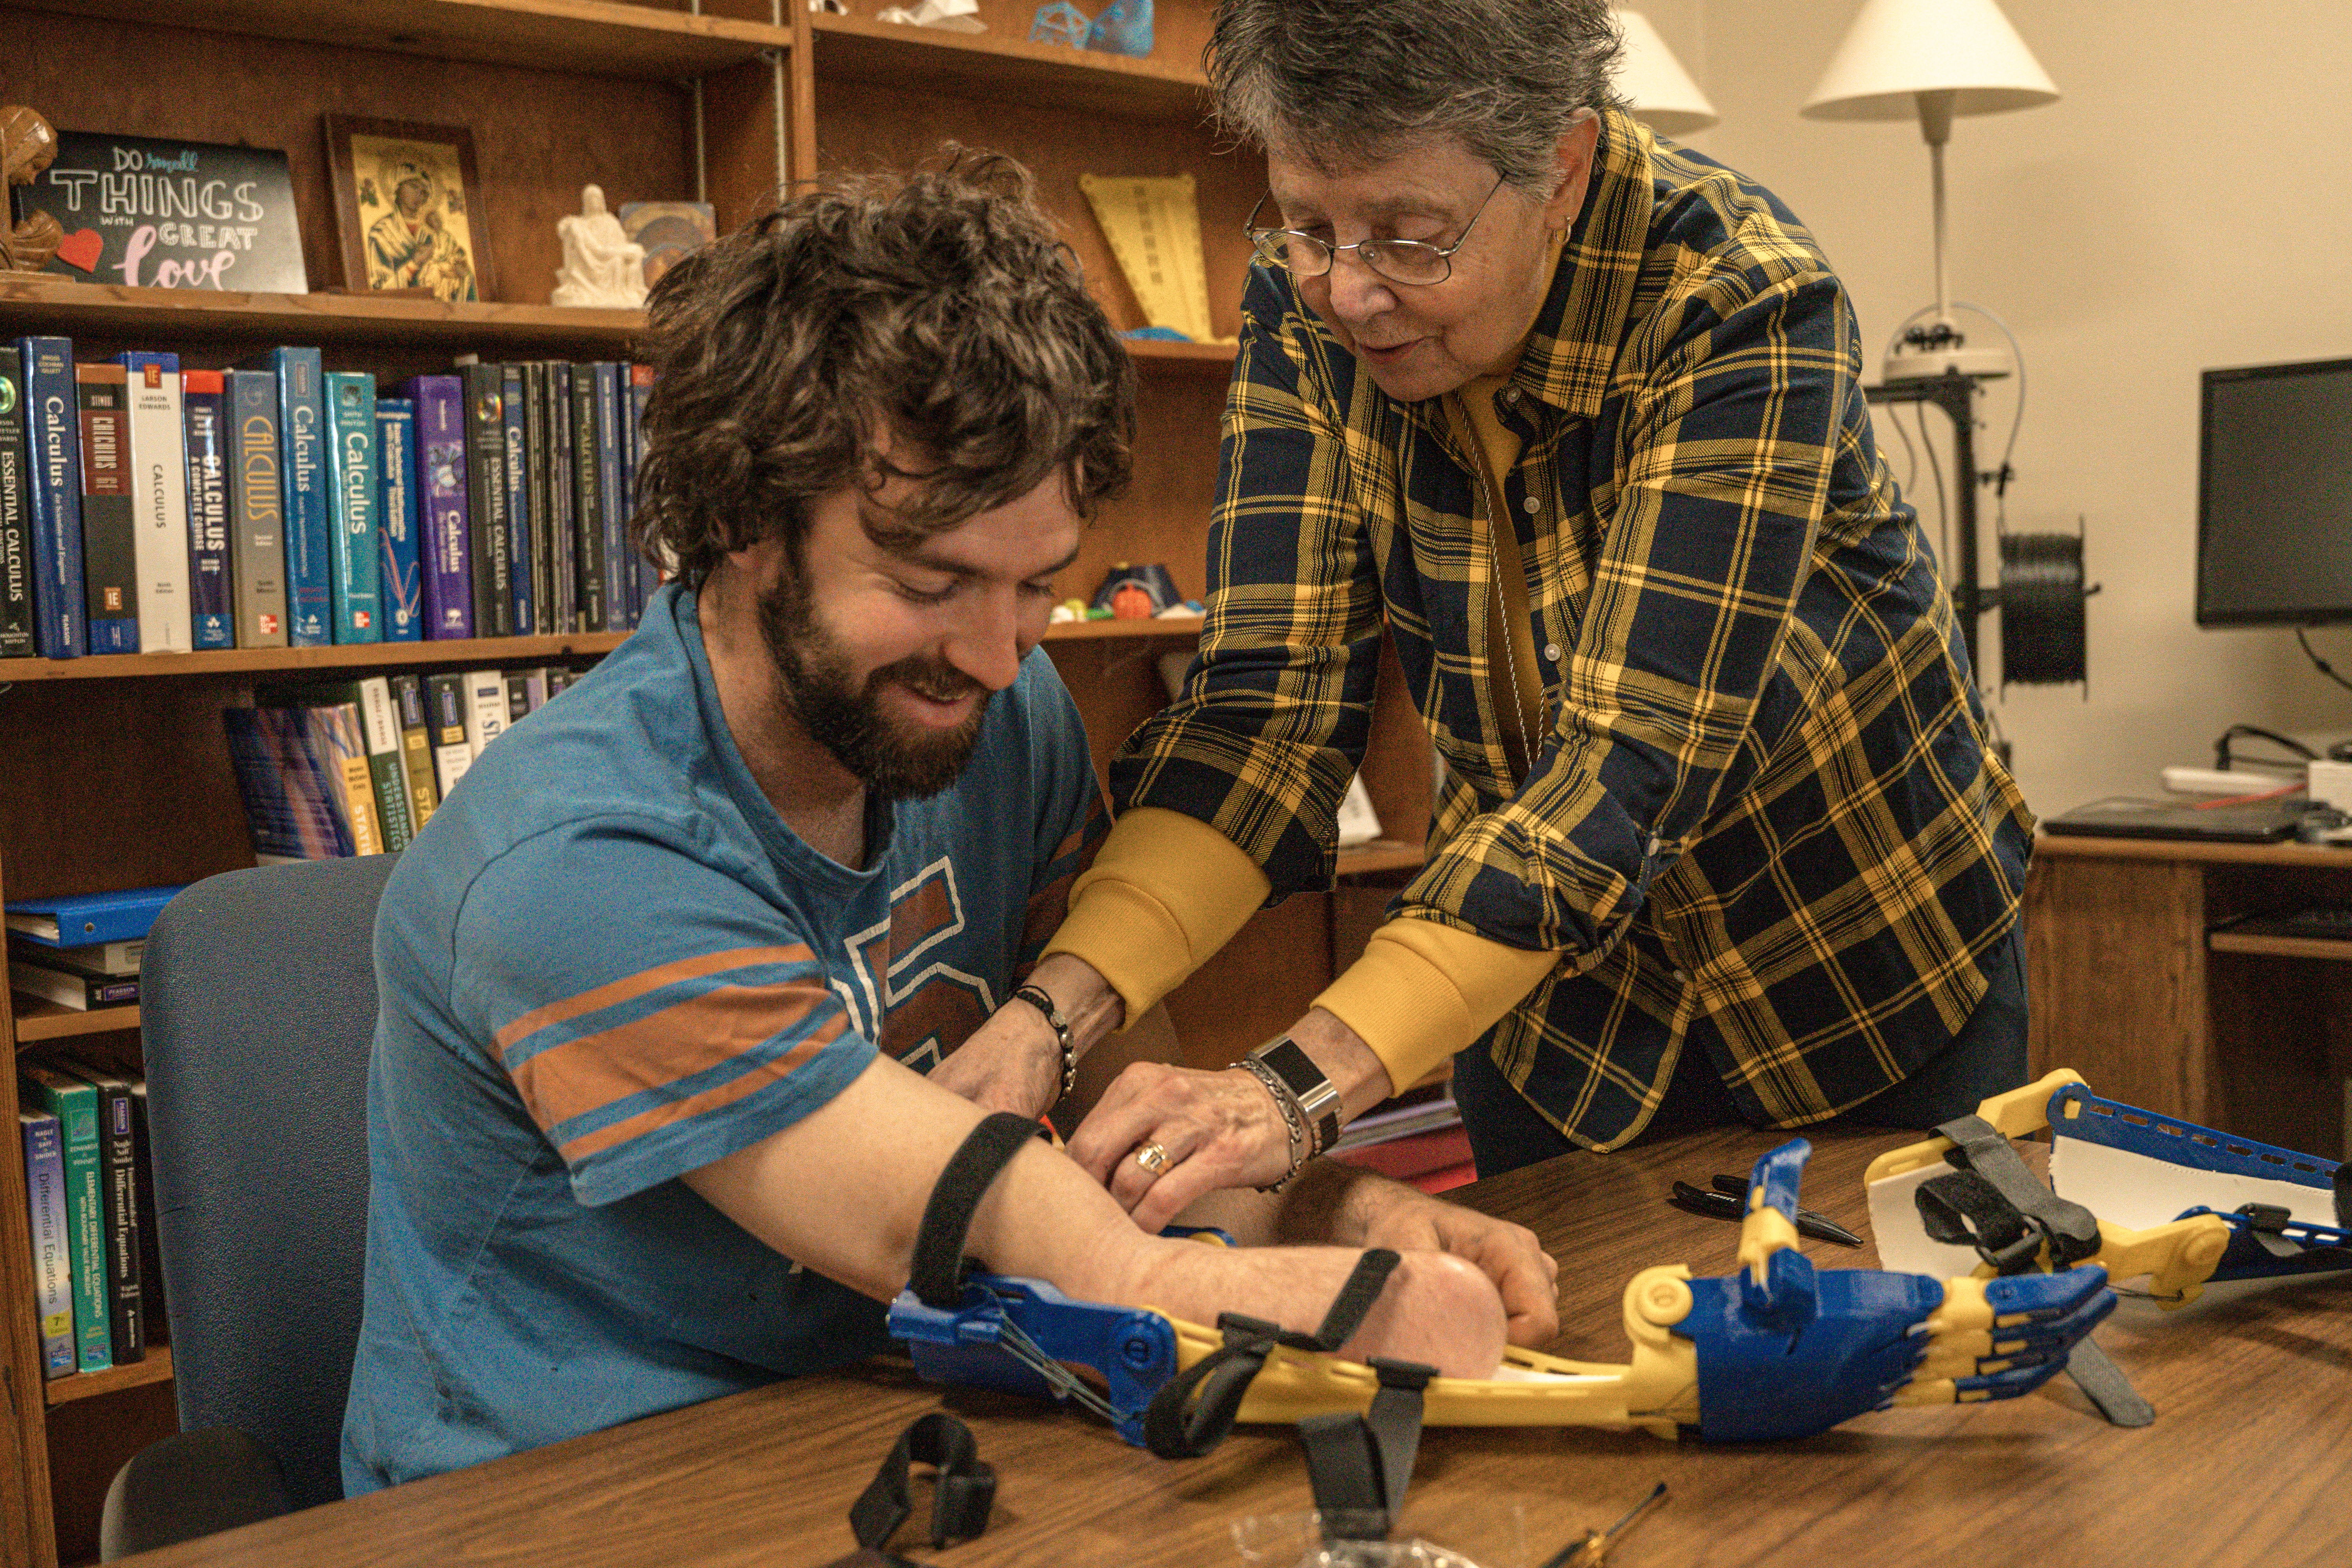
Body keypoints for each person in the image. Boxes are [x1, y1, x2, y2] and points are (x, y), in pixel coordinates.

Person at [340, 153, 1554, 1494]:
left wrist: (1343, 1218)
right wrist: (1294, 1297)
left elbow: (1113, 1149)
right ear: (745, 517)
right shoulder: (572, 858)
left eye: (1034, 585)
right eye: (930, 582)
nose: (992, 654)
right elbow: (962, 1216)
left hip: (900, 1439)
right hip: (564, 1501)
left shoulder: (1002, 709)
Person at [940, 0, 2034, 1227]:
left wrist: (1293, 1090)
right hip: (1545, 1007)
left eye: (1410, 237)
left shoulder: (1739, 301)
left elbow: (1628, 770)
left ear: (1559, 169)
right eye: (1309, 223)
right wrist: (1056, 1014)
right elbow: (1264, 714)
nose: (1348, 292)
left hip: (1849, 962)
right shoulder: (1305, 297)